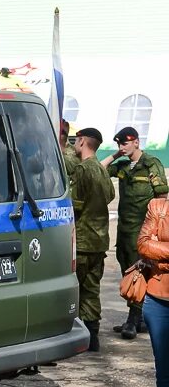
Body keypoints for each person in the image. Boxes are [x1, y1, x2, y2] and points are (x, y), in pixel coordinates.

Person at [102, 126, 169, 339]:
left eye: (126, 143)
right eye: (119, 143)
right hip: (124, 231)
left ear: (137, 142)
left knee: (138, 273)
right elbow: (99, 169)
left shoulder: (151, 165)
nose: (122, 146)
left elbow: (162, 198)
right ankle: (138, 318)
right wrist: (114, 155)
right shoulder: (123, 167)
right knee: (127, 272)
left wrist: (156, 233)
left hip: (142, 231)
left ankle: (133, 319)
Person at [69, 127, 115, 352]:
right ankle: (93, 336)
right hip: (99, 241)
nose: (75, 144)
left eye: (77, 140)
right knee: (92, 289)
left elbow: (73, 205)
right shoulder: (100, 168)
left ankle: (74, 336)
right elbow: (110, 196)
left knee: (74, 289)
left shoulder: (82, 169)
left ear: (83, 141)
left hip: (82, 241)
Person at [136, 195, 169, 387]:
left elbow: (154, 246)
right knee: (165, 372)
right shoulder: (157, 207)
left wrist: (162, 247)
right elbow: (143, 245)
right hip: (158, 299)